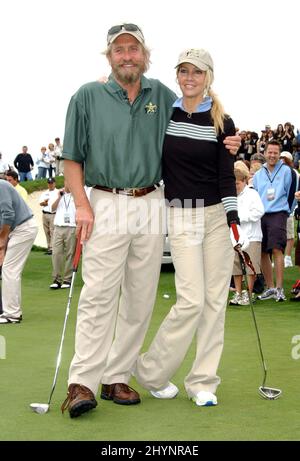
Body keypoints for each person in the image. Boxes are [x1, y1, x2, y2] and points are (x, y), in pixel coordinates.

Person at [60, 24, 241, 418]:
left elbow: (204, 114)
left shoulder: (163, 95)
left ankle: (117, 375)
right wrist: (82, 205)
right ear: (109, 56)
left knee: (140, 298)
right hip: (106, 201)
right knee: (99, 295)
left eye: (134, 49)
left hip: (152, 201)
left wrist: (232, 140)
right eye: (120, 49)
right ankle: (82, 382)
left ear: (146, 55)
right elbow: (71, 157)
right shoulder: (87, 95)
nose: (127, 55)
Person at [134, 47, 246, 408]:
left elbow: (225, 176)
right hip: (182, 213)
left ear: (208, 77)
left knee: (215, 301)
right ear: (178, 76)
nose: (189, 78)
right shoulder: (163, 113)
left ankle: (202, 382)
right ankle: (151, 373)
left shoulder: (222, 121)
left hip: (216, 216)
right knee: (191, 299)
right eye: (184, 71)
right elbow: (137, 90)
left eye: (196, 72)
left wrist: (232, 219)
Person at [253, 140, 294, 302]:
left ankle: (279, 288)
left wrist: (285, 211)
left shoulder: (287, 171)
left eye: (275, 153)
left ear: (279, 154)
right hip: (261, 215)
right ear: (265, 153)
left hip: (278, 213)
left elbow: (291, 195)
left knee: (277, 249)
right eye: (269, 152)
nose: (272, 155)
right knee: (263, 251)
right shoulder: (258, 174)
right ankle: (270, 287)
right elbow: (255, 195)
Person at [0, 179, 38, 324]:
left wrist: (2, 242)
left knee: (10, 270)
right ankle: (11, 311)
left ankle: (12, 314)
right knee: (9, 269)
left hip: (23, 228)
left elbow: (8, 215)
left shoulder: (1, 186)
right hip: (17, 230)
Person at [229, 168, 264, 306]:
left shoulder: (252, 194)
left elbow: (259, 211)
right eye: (233, 184)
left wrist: (240, 218)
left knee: (250, 267)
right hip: (235, 237)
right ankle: (238, 293)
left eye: (237, 183)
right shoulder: (231, 196)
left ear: (244, 181)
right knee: (236, 266)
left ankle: (248, 294)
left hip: (251, 236)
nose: (235, 186)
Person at [49, 181, 76, 289]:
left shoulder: (77, 195)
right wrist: (59, 197)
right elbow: (52, 208)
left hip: (72, 227)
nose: (68, 184)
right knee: (56, 253)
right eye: (66, 182)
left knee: (70, 254)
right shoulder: (57, 194)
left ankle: (67, 280)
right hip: (58, 227)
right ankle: (56, 279)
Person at [39, 178, 57, 255]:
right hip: (45, 214)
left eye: (52, 183)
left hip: (53, 214)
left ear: (54, 183)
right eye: (49, 183)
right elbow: (41, 203)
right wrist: (44, 203)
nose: (50, 185)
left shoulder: (58, 192)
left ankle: (52, 248)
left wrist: (47, 203)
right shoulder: (44, 193)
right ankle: (49, 247)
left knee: (52, 231)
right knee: (47, 231)